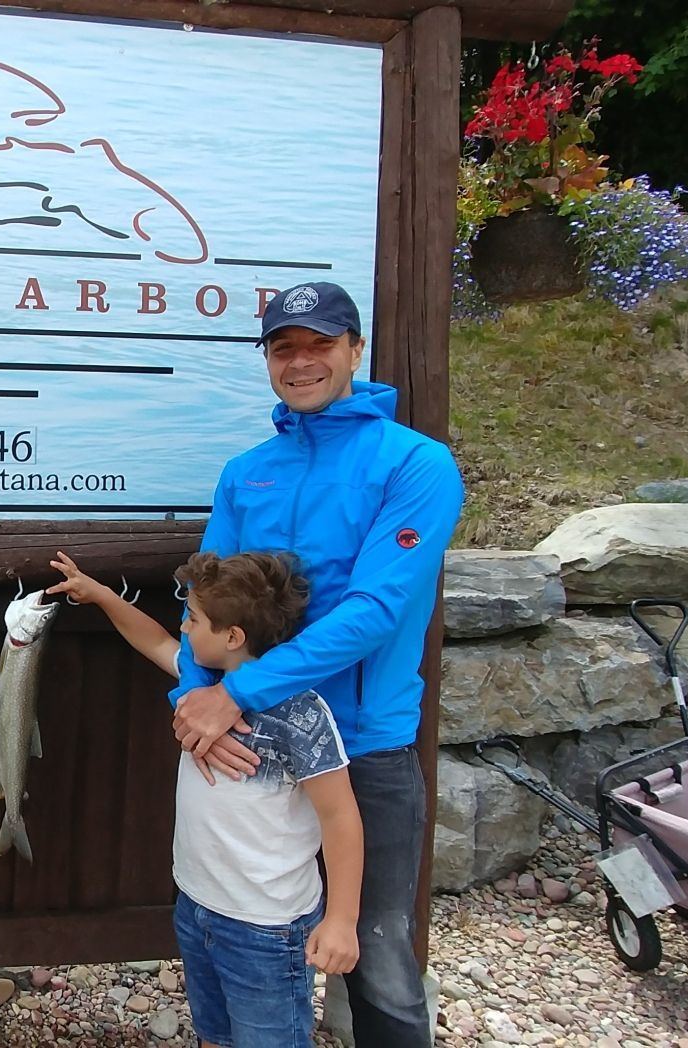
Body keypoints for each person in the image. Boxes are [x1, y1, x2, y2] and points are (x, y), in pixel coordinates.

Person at [169, 281, 464, 1046]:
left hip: (363, 747)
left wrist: (236, 694)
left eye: (320, 344)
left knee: (379, 954)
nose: (301, 362)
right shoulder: (247, 470)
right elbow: (205, 600)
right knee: (239, 928)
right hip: (250, 747)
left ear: (356, 350)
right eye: (283, 348)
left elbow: (376, 610)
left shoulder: (417, 465)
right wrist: (196, 695)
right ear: (268, 358)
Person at [51, 550, 363, 1047]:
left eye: (193, 619)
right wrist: (102, 594)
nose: (186, 628)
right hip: (197, 905)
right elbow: (153, 640)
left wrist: (342, 920)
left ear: (233, 637)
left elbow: (339, 814)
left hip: (267, 927)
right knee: (213, 1032)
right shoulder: (207, 684)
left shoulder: (303, 715)